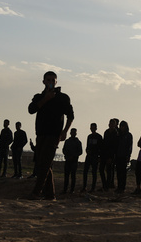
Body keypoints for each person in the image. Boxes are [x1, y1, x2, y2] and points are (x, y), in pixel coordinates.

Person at [27, 71, 74, 200]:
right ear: (44, 81)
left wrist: (65, 131)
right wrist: (45, 99)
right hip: (41, 134)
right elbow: (31, 109)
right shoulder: (39, 97)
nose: (51, 82)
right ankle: (50, 195)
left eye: (53, 80)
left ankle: (36, 192)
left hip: (54, 135)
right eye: (48, 80)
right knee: (44, 163)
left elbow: (70, 116)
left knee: (45, 163)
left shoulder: (63, 98)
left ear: (56, 82)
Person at [81, 122, 101, 191]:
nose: (92, 129)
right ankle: (84, 187)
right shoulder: (89, 136)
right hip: (89, 156)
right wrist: (87, 150)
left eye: (93, 128)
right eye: (91, 128)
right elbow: (87, 146)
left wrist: (99, 157)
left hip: (95, 156)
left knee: (94, 172)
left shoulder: (99, 137)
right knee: (85, 171)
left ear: (96, 128)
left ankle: (93, 187)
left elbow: (101, 148)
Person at [62, 126, 82, 193]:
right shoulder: (67, 141)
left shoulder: (78, 142)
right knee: (66, 176)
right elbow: (64, 150)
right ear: (70, 133)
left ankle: (72, 190)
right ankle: (65, 189)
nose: (73, 133)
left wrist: (73, 156)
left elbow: (80, 152)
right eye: (72, 132)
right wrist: (67, 155)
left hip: (74, 161)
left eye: (74, 132)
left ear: (76, 133)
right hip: (68, 160)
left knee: (73, 176)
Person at [115, 120, 133, 194]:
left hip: (124, 155)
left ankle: (122, 187)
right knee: (118, 172)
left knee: (123, 172)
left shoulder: (128, 135)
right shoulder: (118, 134)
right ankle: (119, 186)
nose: (122, 127)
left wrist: (128, 155)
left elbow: (130, 146)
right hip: (118, 155)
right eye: (121, 126)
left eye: (123, 126)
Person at [100, 118, 118, 191]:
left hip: (111, 154)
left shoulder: (116, 133)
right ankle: (105, 184)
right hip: (104, 153)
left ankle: (107, 185)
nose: (111, 125)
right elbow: (104, 143)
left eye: (113, 124)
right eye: (110, 124)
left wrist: (111, 157)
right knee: (101, 169)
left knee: (109, 170)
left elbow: (115, 146)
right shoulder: (106, 132)